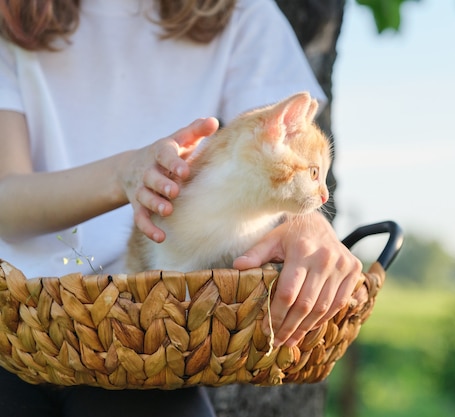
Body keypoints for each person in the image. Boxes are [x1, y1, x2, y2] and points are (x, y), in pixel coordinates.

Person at [0, 0, 363, 416]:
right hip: (17, 322)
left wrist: (304, 225)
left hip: (148, 333)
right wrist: (125, 174)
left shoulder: (241, 11)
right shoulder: (11, 16)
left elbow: (274, 151)